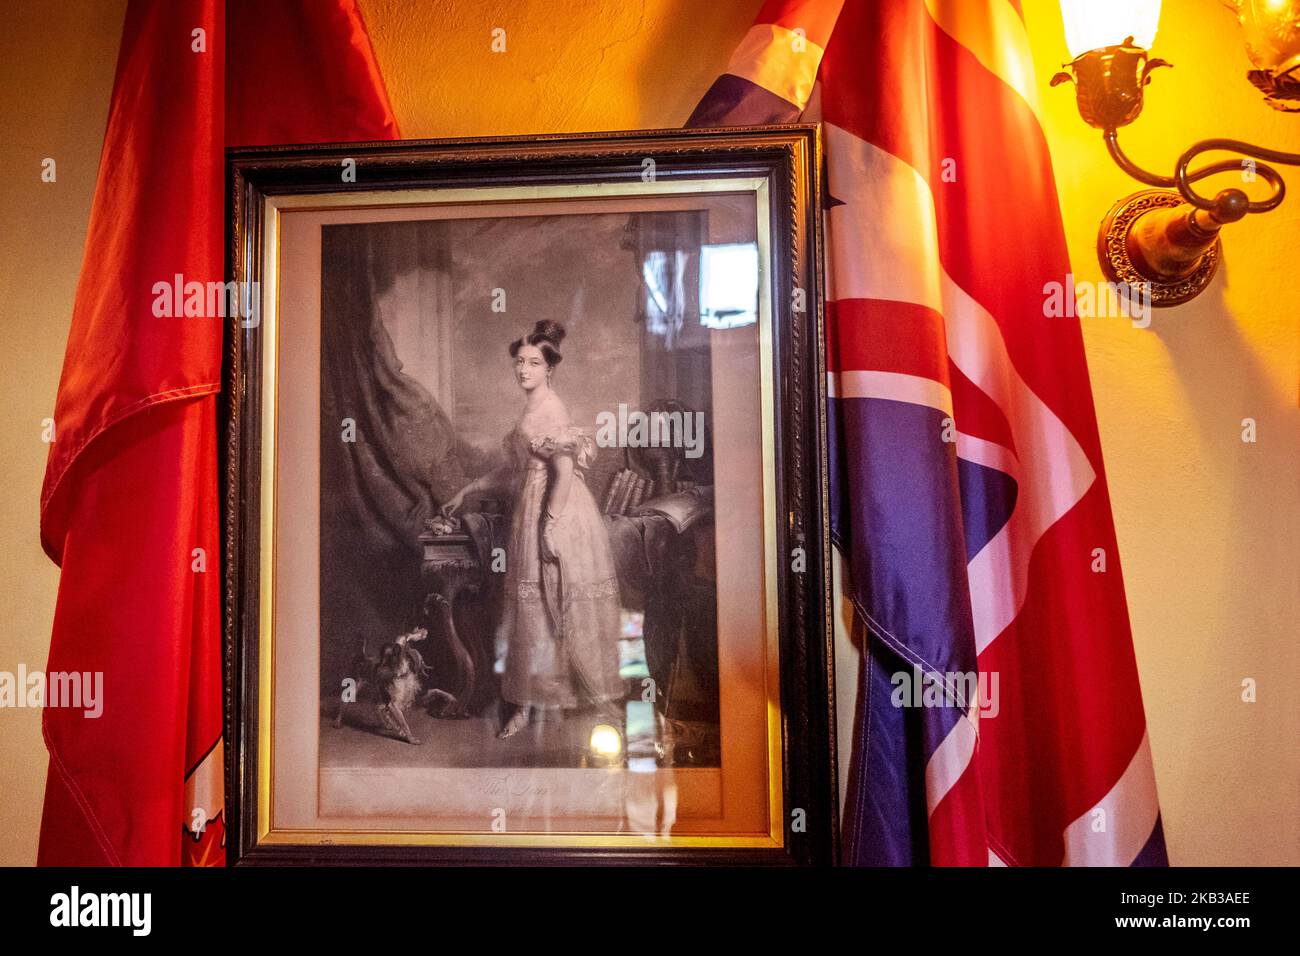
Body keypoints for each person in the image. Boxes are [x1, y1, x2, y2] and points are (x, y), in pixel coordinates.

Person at [442, 320, 624, 739]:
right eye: (520, 362)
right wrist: (468, 490)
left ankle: (588, 701)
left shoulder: (552, 409)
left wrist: (551, 526)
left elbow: (562, 471)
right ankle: (524, 705)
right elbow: (514, 468)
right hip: (532, 507)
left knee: (555, 599)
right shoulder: (531, 407)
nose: (523, 369)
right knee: (531, 608)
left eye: (533, 363)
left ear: (549, 370)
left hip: (557, 511)